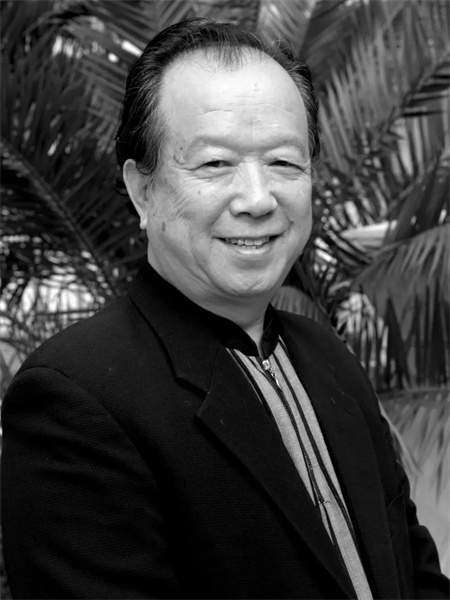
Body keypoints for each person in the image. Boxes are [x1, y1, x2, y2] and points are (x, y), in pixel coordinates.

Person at [1, 17, 448, 600]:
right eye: (215, 164)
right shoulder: (76, 399)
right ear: (141, 188)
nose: (258, 199)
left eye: (284, 162)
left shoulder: (326, 356)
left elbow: (413, 570)